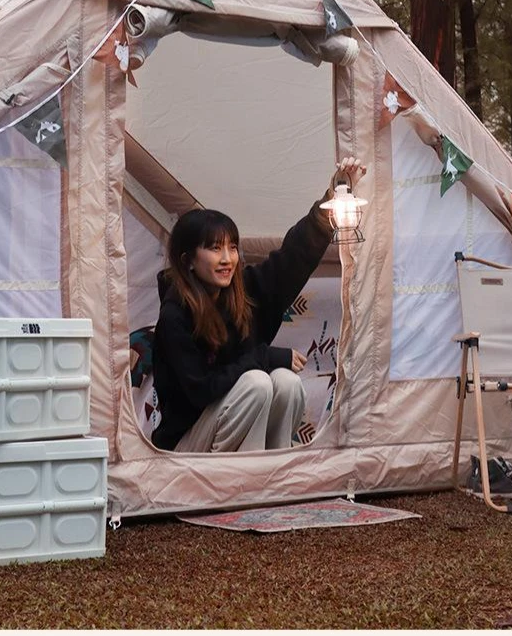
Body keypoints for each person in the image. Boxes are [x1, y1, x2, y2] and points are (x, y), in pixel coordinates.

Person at [151, 158, 366, 453]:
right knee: (257, 383)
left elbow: (291, 259)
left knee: (286, 383)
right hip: (186, 446)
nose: (227, 258)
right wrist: (265, 356)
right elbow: (201, 391)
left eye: (232, 247)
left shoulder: (245, 292)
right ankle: (246, 473)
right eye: (214, 248)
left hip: (228, 430)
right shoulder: (174, 316)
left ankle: (273, 470)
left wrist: (331, 199)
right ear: (188, 260)